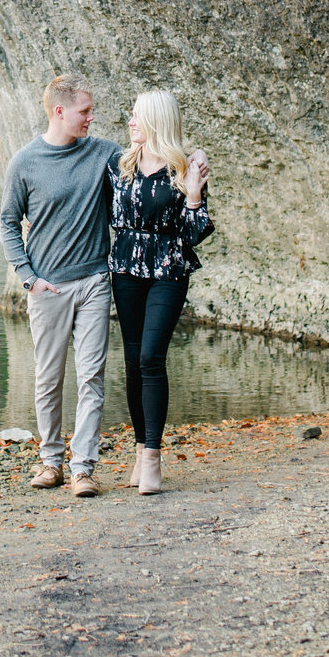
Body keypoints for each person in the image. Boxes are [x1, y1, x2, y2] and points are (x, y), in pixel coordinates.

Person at [0, 73, 121, 498]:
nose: (91, 118)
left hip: (93, 282)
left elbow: (145, 166)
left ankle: (83, 467)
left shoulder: (106, 153)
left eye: (90, 110)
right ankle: (50, 461)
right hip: (47, 287)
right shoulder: (26, 161)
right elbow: (7, 223)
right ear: (60, 111)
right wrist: (28, 278)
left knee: (92, 377)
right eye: (85, 111)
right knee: (48, 378)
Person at [108, 88, 211, 496]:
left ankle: (153, 456)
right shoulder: (119, 164)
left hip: (169, 269)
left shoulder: (184, 167)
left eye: (136, 115)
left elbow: (196, 233)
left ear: (155, 121)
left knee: (152, 357)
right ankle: (138, 452)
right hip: (126, 269)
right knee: (133, 361)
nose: (130, 121)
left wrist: (193, 193)